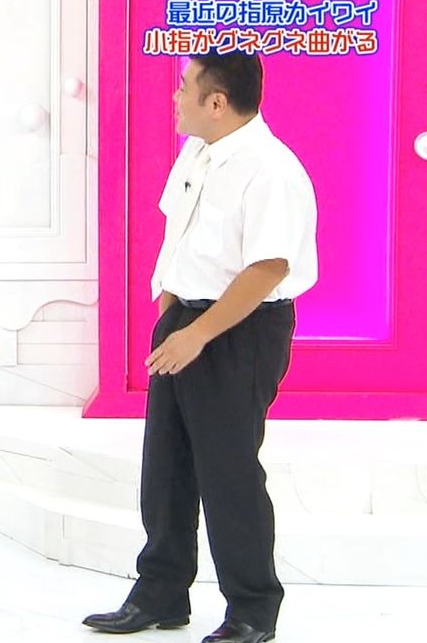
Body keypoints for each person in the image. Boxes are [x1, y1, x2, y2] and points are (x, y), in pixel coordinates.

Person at [83, 51, 317, 643]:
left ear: (217, 102)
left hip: (239, 329)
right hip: (184, 321)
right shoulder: (197, 153)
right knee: (166, 467)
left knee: (229, 470)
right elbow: (179, 235)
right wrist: (171, 316)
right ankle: (161, 593)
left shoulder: (271, 169)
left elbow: (267, 268)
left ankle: (252, 609)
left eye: (184, 86)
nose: (175, 96)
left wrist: (198, 333)